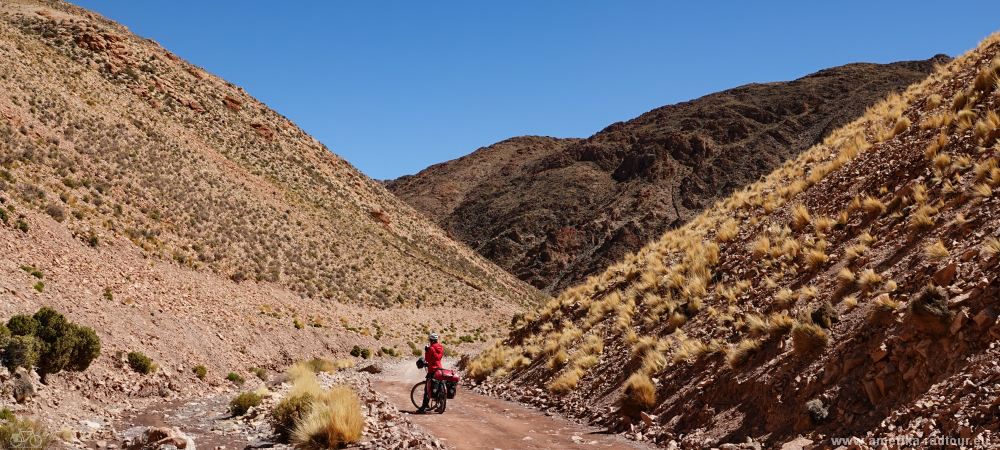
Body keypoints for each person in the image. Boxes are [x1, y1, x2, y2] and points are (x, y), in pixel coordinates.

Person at [416, 332, 444, 413]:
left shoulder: (431, 348)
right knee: (439, 387)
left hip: (432, 369)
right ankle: (440, 405)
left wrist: (427, 350)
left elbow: (427, 359)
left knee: (427, 389)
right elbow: (439, 357)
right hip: (440, 369)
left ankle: (424, 407)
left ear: (431, 340)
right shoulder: (441, 347)